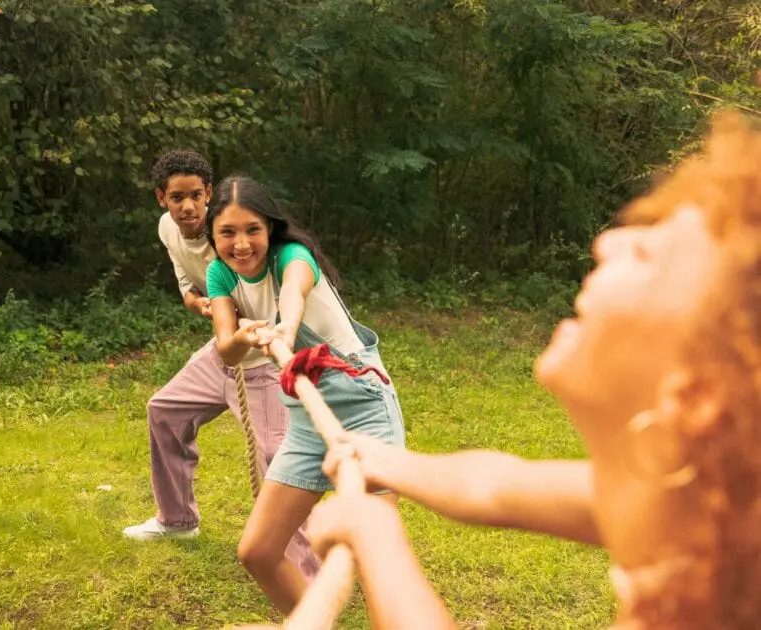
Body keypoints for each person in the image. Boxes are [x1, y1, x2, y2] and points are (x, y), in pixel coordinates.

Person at [307, 112, 761, 629]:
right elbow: (496, 485)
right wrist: (387, 461)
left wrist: (378, 540)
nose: (606, 242)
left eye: (643, 254)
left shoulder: (711, 606)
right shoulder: (688, 507)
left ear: (699, 394)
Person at [204, 175, 407, 614]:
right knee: (257, 552)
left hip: (361, 404)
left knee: (378, 558)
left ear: (270, 229)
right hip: (304, 416)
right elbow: (226, 349)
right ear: (213, 236)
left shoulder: (292, 257)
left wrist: (284, 330)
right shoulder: (219, 275)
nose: (241, 244)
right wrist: (243, 333)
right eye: (228, 232)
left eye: (252, 230)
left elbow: (294, 292)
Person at [122, 151, 318, 579]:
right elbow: (189, 285)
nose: (187, 206)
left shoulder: (229, 236)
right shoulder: (167, 230)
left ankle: (307, 572)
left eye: (196, 196)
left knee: (275, 459)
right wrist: (197, 300)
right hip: (223, 352)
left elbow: (278, 285)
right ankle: (177, 521)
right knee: (164, 410)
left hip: (263, 360)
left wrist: (266, 327)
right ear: (162, 198)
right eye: (177, 197)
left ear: (208, 194)